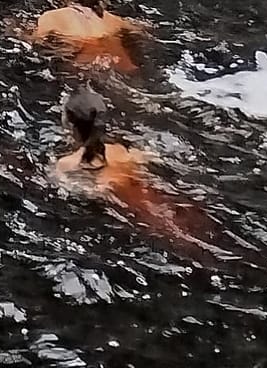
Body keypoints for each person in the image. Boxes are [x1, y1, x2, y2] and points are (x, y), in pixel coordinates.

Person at [52, 87, 220, 256]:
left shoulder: (66, 164)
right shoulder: (119, 150)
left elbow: (67, 188)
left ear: (70, 125)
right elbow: (147, 157)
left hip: (141, 217)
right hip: (168, 202)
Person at [24, 0, 146, 77]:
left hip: (84, 68)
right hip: (122, 66)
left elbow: (35, 41)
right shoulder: (115, 21)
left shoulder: (52, 17)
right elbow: (141, 31)